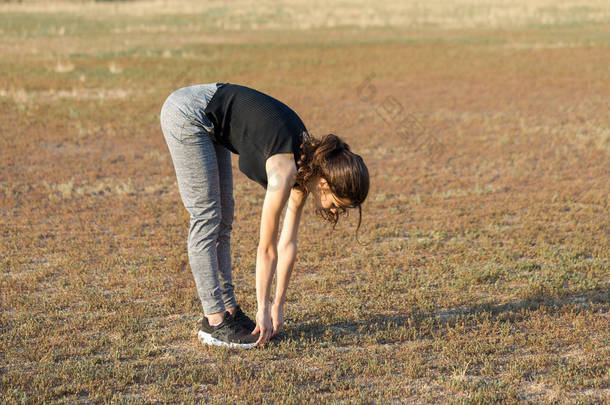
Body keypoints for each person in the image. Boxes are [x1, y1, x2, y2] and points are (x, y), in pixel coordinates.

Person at [159, 82, 369, 348]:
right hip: (188, 113)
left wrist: (277, 305)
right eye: (338, 204)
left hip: (212, 121)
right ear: (326, 184)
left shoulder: (308, 166)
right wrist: (262, 306)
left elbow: (287, 243)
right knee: (207, 217)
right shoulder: (285, 172)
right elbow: (267, 248)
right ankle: (214, 322)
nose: (336, 211)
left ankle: (230, 312)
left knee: (223, 219)